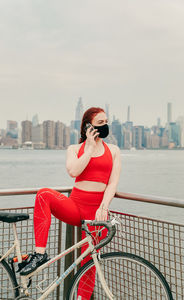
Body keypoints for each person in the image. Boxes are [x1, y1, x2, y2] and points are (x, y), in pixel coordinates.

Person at [20, 107, 121, 299]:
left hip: (97, 214)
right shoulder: (74, 149)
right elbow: (74, 171)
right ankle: (39, 254)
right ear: (88, 127)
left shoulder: (114, 151)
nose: (105, 126)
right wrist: (90, 148)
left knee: (88, 265)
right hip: (74, 207)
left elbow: (112, 183)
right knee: (43, 195)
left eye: (106, 122)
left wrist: (104, 206)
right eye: (100, 123)